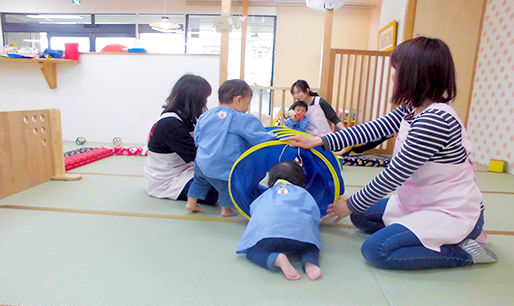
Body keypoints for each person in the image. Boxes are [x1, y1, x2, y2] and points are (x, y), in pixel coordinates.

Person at [283, 37, 497, 270]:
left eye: (397, 70)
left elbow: (394, 175)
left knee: (376, 250)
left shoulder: (436, 120)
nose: (393, 76)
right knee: (359, 217)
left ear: (414, 74)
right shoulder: (411, 108)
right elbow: (373, 129)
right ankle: (412, 230)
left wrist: (352, 202)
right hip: (419, 201)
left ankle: (464, 253)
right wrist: (319, 141)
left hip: (448, 210)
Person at [186, 79, 277, 216]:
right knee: (227, 185)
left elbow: (197, 136)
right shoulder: (240, 119)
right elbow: (258, 135)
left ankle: (191, 203)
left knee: (199, 181)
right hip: (223, 165)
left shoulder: (206, 115)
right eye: (248, 103)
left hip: (202, 162)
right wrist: (274, 137)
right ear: (238, 100)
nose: (247, 108)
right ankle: (226, 210)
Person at [236, 161, 322, 280]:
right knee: (311, 246)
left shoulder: (265, 195)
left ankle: (277, 259)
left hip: (269, 237)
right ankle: (310, 261)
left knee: (253, 251)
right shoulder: (304, 193)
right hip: (300, 238)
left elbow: (254, 212)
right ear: (302, 182)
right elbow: (314, 214)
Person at [144, 74, 217, 205]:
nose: (205, 102)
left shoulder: (186, 116)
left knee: (228, 183)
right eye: (204, 98)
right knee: (218, 191)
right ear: (194, 99)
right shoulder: (171, 124)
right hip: (168, 180)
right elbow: (198, 156)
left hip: (185, 169)